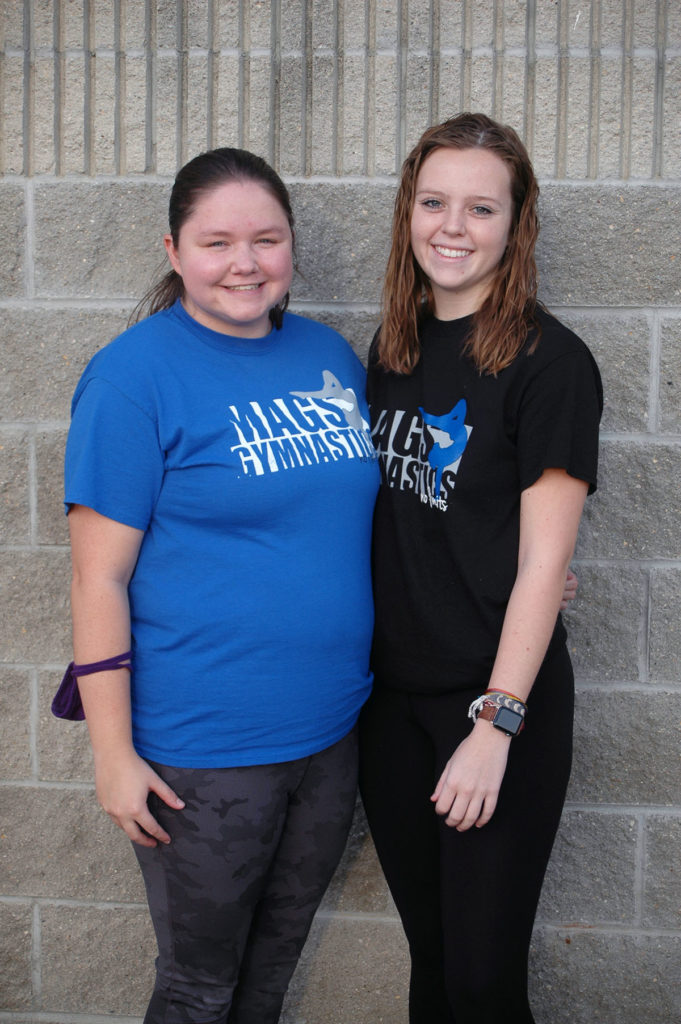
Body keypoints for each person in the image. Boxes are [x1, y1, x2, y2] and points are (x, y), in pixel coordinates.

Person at [64, 147, 380, 1023]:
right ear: (174, 251)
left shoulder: (329, 355)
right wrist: (112, 756)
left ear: (291, 248)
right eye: (217, 242)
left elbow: (368, 518)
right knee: (199, 988)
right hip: (202, 753)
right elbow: (99, 576)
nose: (245, 262)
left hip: (328, 737)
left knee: (270, 978)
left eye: (266, 239)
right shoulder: (133, 377)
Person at [359, 112, 603, 1023]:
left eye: (480, 208)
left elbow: (545, 563)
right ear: (407, 213)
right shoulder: (389, 352)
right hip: (390, 709)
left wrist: (494, 725)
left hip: (495, 708)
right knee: (430, 966)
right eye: (432, 202)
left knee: (482, 981)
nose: (451, 227)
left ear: (515, 223)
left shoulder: (551, 364)